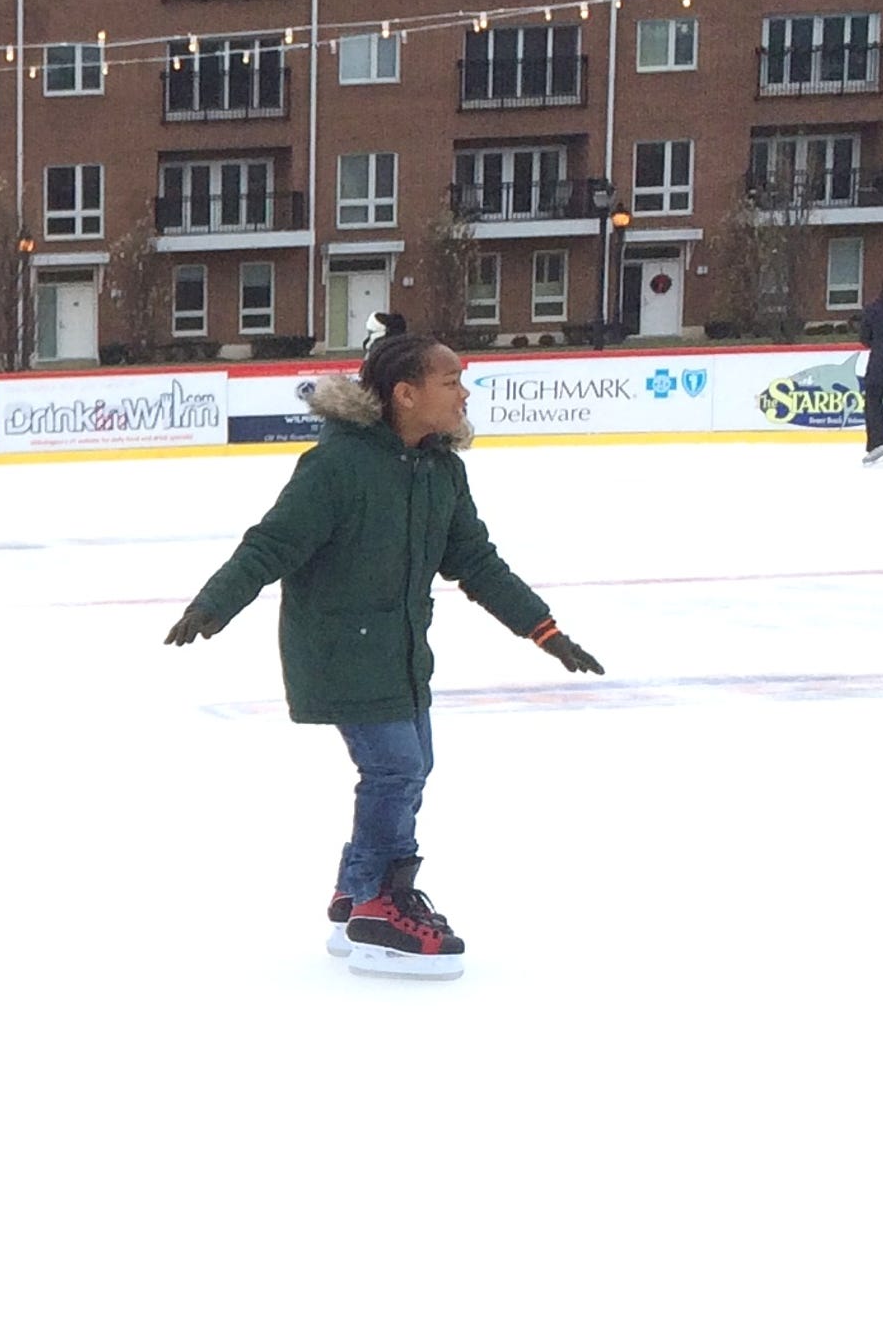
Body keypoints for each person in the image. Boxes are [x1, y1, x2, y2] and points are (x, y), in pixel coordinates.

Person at [165, 334, 605, 980]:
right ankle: (379, 903)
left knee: (412, 764)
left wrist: (542, 629)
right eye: (450, 381)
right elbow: (271, 544)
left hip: (401, 651)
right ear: (405, 393)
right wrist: (215, 603)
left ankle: (357, 891)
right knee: (397, 769)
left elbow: (476, 561)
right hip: (341, 649)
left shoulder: (440, 470)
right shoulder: (338, 467)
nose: (464, 393)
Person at [859, 282, 883, 465]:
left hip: (879, 365)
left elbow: (865, 339)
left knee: (873, 402)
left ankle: (877, 442)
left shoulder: (872, 310)